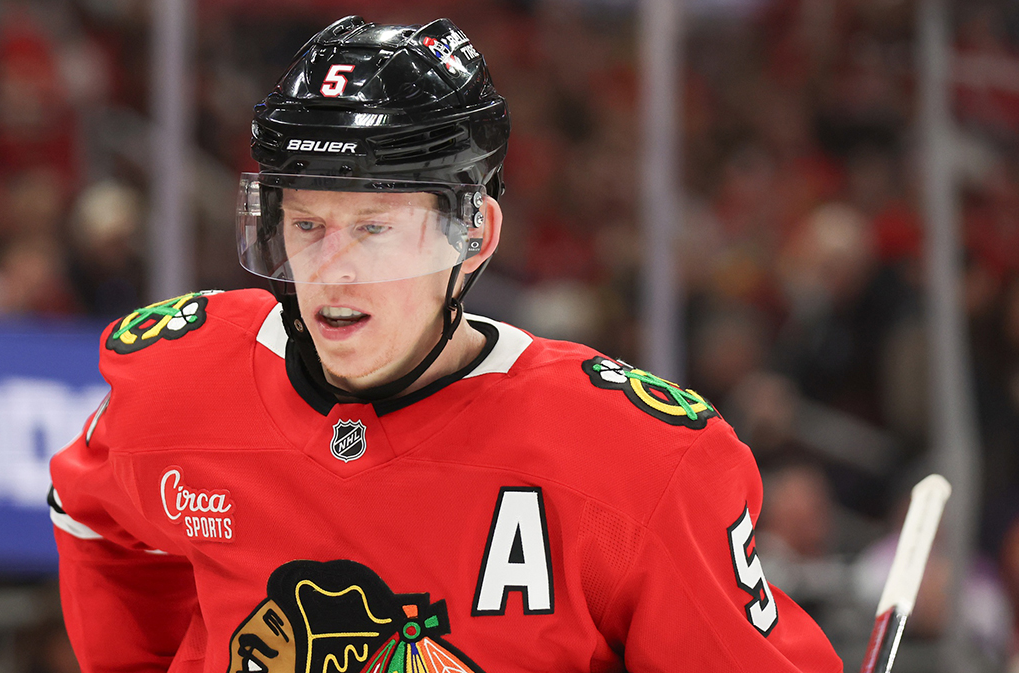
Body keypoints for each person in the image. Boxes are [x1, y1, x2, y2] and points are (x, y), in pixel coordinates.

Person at [49, 16, 841, 672]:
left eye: (375, 229)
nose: (333, 268)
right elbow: (95, 520)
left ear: (472, 237)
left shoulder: (636, 461)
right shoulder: (182, 385)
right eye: (307, 225)